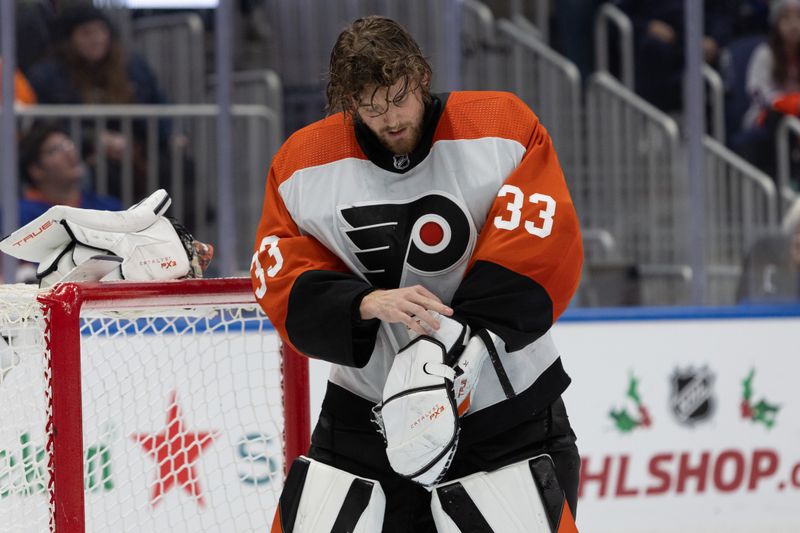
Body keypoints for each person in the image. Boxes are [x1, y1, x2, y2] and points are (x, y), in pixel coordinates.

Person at [251, 16, 583, 533]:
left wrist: (459, 342)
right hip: (370, 412)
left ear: (421, 77)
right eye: (371, 106)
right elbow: (279, 270)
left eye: (399, 96)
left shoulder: (502, 127)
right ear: (349, 103)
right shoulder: (301, 165)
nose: (390, 119)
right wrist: (364, 303)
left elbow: (541, 239)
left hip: (505, 408)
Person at [738, 0, 800, 184]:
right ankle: (786, 179)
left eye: (798, 19)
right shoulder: (765, 54)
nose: (794, 25)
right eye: (787, 20)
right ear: (776, 25)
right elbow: (758, 92)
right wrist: (789, 103)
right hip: (767, 117)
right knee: (780, 120)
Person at [18, 122, 122, 226]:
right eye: (55, 150)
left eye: (68, 144)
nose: (69, 153)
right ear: (36, 170)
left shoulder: (107, 209)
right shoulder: (18, 216)